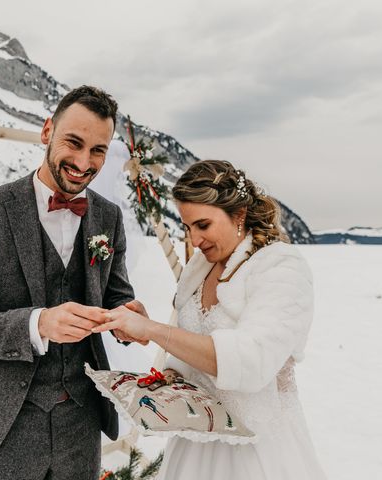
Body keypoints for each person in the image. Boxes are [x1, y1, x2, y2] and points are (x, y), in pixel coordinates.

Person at [0, 85, 137, 479]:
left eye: (98, 150)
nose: (84, 162)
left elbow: (117, 295)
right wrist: (39, 324)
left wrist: (129, 318)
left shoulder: (109, 218)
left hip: (80, 430)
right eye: (74, 142)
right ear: (47, 131)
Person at [94, 160, 327, 480]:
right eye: (188, 228)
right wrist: (172, 374)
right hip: (196, 442)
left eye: (203, 225)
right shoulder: (200, 268)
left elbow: (253, 360)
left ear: (239, 215)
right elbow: (190, 342)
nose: (194, 240)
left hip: (256, 450)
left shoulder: (282, 269)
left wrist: (154, 330)